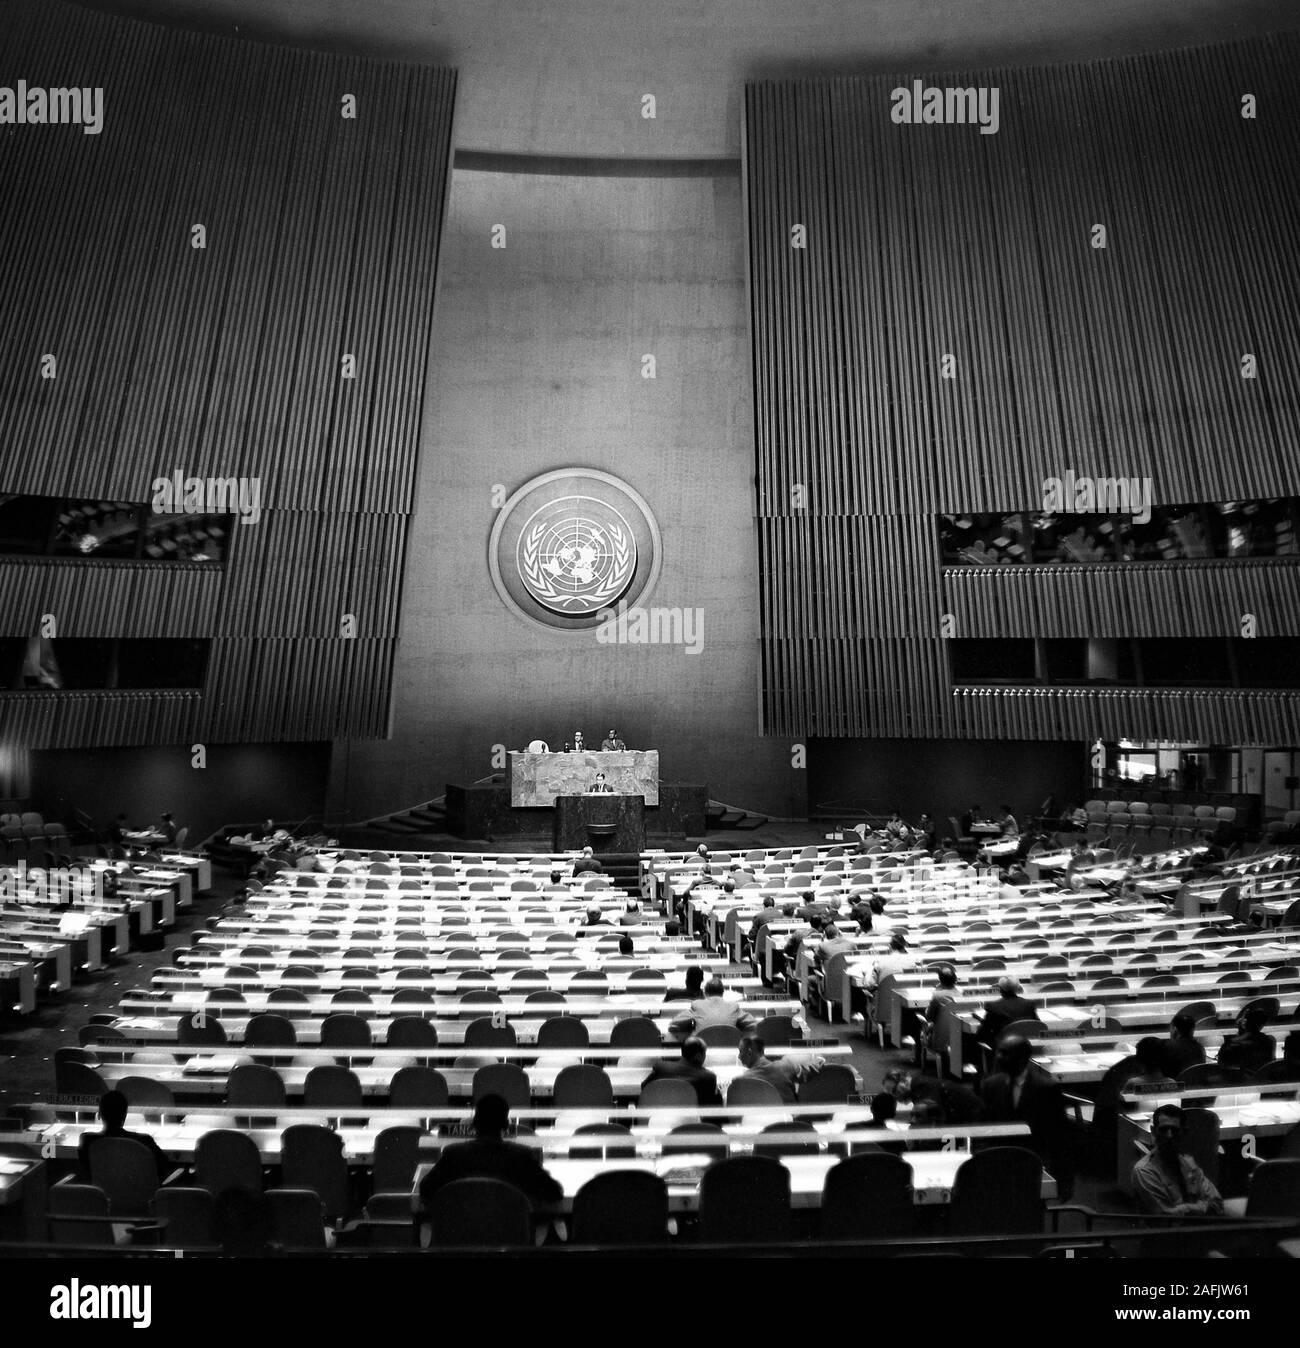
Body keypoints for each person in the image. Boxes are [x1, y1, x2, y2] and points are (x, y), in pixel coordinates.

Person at [417, 1095, 563, 1212]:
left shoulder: (453, 1155)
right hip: (511, 1241)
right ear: (506, 1124)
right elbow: (554, 1192)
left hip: (463, 1240)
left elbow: (425, 1190)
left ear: (474, 1123)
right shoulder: (522, 1156)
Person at [979, 1034, 1073, 1199]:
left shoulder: (1047, 1089)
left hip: (1033, 1164)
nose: (999, 1057)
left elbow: (1060, 1138)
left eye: (1005, 1053)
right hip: (998, 1163)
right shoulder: (990, 1085)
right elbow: (983, 1129)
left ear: (1023, 1058)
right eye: (999, 1052)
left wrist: (1064, 1183)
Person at [1131, 1104, 1224, 1217]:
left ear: (1183, 1132)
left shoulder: (1188, 1164)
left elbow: (1216, 1204)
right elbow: (1167, 1218)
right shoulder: (1144, 1171)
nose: (1169, 1135)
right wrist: (1201, 1207)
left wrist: (1185, 1209)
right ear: (1154, 1131)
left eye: (1175, 1130)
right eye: (1164, 1130)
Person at [76, 1090, 169, 1183]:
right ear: (125, 1115)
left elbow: (85, 1170)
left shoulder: (87, 1141)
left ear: (99, 1114)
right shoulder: (144, 1141)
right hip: (139, 1195)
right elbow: (163, 1165)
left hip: (102, 1195)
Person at [735, 1035, 824, 1104]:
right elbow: (812, 1069)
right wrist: (819, 1060)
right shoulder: (786, 1066)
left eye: (740, 1051)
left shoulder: (743, 1079)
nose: (739, 1056)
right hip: (791, 1123)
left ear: (749, 1052)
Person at [881, 1068, 984, 1126]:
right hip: (968, 1118)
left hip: (976, 1119)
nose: (896, 1097)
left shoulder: (922, 1086)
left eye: (894, 1091)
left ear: (904, 1081)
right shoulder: (918, 1087)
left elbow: (926, 1112)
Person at [669, 977, 757, 1039]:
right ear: (722, 993)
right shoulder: (733, 1007)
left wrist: (688, 1027)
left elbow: (674, 1024)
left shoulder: (698, 1005)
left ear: (705, 993)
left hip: (701, 1052)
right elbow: (755, 1025)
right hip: (729, 1050)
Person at [643, 1037, 720, 1106]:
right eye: (704, 1054)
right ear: (698, 1056)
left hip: (658, 1115)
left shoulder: (661, 1067)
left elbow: (644, 1087)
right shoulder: (708, 1077)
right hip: (690, 1119)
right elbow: (708, 1105)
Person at [976, 976, 1038, 1048]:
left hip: (1002, 1046)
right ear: (1017, 988)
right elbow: (1036, 1025)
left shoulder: (993, 1006)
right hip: (1024, 1044)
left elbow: (983, 1032)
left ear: (1000, 989)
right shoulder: (1029, 1004)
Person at [1216, 1006, 1276, 1074]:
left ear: (1245, 1023)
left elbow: (1222, 1066)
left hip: (1240, 1080)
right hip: (1261, 1079)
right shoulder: (1270, 1040)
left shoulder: (1231, 1045)